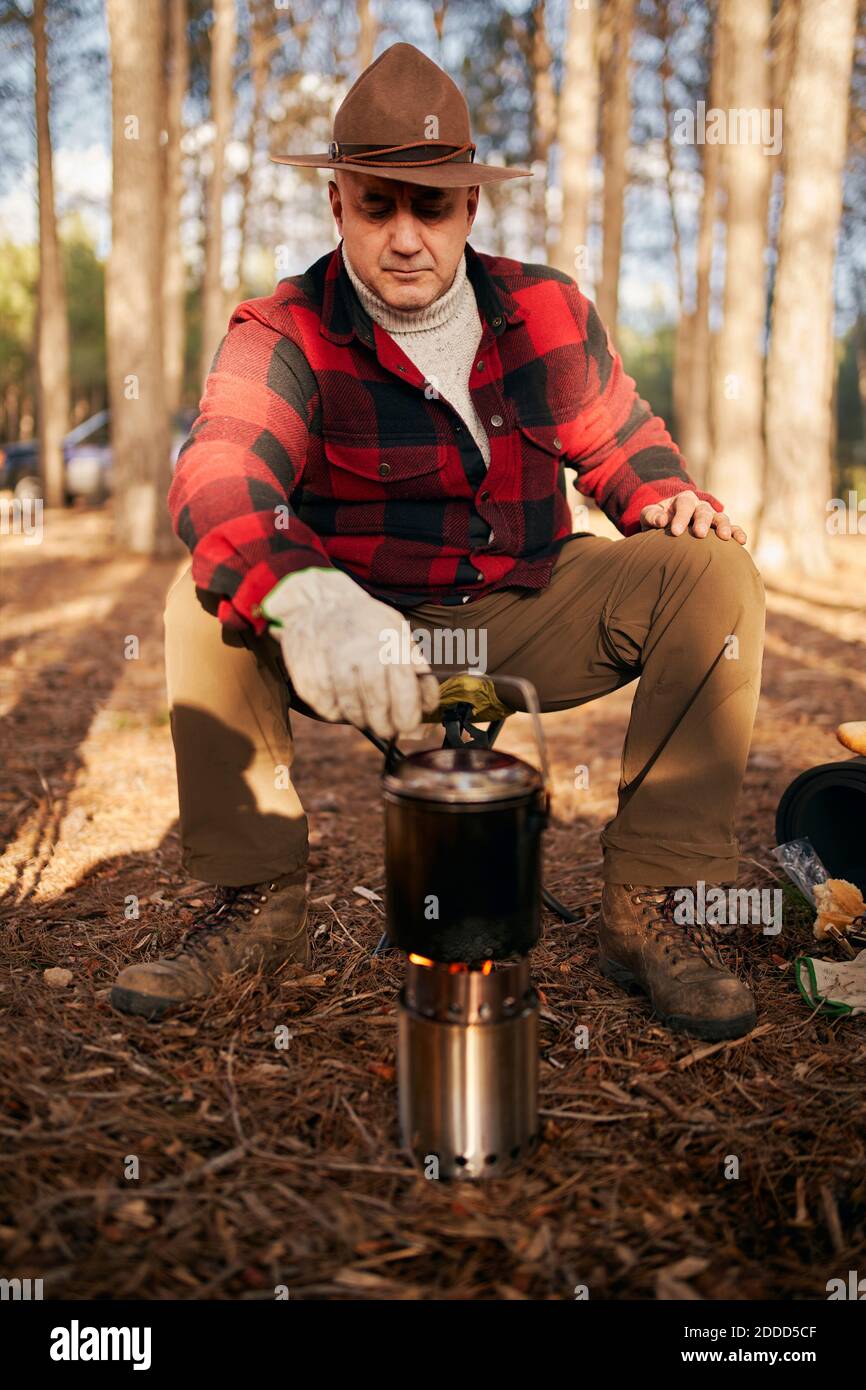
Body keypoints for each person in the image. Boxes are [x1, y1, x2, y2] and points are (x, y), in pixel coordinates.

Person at [111, 44, 765, 1041]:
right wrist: (307, 598)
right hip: (357, 623)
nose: (406, 237)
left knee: (710, 571)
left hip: (521, 607)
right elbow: (219, 473)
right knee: (204, 599)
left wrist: (665, 495)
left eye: (432, 207)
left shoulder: (543, 308)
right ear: (337, 206)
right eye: (378, 206)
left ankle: (652, 902)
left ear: (469, 207)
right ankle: (257, 903)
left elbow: (622, 441)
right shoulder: (279, 329)